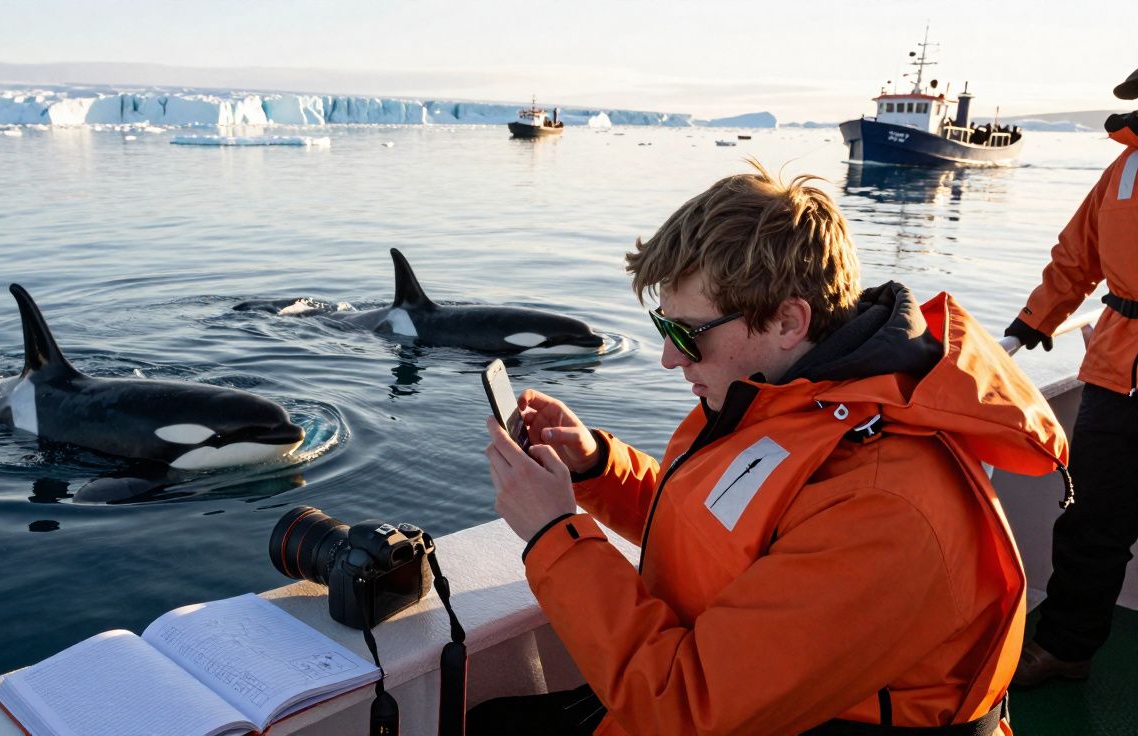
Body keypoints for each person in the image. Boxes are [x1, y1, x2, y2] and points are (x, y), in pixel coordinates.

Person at [471, 162, 1067, 735]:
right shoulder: (788, 398)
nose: (669, 358)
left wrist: (553, 536)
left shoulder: (885, 507)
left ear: (788, 321)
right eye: (664, 328)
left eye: (687, 334)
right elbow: (719, 529)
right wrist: (599, 469)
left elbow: (686, 709)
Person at [1005, 68, 1138, 688]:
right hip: (1117, 374)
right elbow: (1076, 255)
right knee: (1091, 520)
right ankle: (1064, 647)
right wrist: (1034, 321)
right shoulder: (1124, 170)